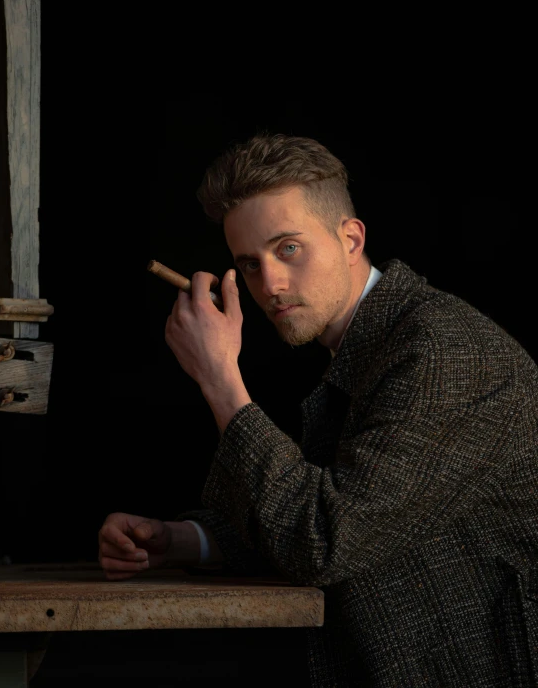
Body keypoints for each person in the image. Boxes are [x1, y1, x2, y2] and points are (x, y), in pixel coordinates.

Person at [99, 133, 538, 687]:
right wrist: (182, 541)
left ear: (350, 238)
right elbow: (335, 499)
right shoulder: (371, 344)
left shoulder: (443, 352)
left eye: (288, 248)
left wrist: (220, 378)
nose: (271, 285)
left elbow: (324, 540)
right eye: (249, 264)